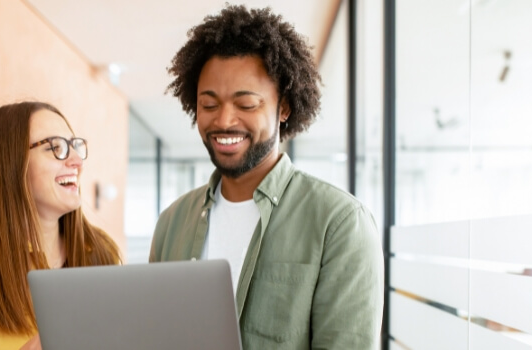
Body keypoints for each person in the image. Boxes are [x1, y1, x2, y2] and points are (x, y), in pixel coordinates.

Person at [149, 5, 384, 349]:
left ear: (283, 108)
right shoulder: (172, 222)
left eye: (246, 105)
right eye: (209, 105)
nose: (224, 121)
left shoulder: (340, 222)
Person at [0, 101, 121, 349]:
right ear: (9, 164)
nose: (77, 161)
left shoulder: (100, 250)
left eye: (75, 146)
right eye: (56, 148)